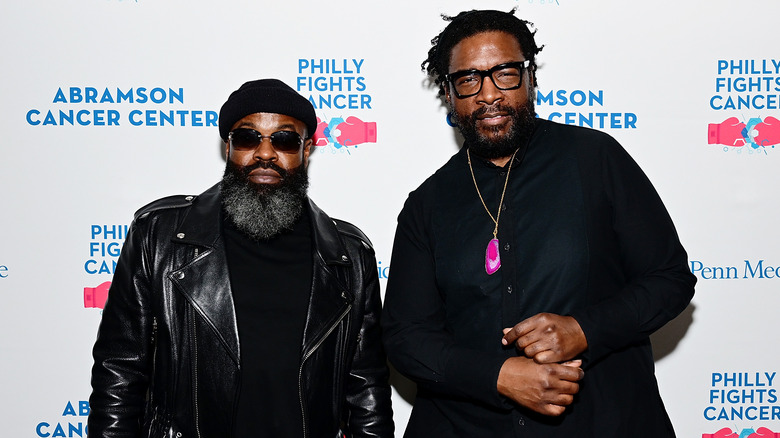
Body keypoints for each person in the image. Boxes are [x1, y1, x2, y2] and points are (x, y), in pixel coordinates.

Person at [382, 9, 696, 437]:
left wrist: (584, 329)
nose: (488, 94)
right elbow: (406, 337)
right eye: (468, 79)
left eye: (505, 73)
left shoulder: (595, 159)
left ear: (530, 79)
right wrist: (498, 375)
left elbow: (669, 279)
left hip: (604, 421)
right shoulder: (428, 204)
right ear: (450, 93)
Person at [88, 79, 393, 438]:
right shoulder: (159, 236)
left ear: (306, 150)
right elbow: (119, 371)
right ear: (228, 146)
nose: (265, 154)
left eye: (284, 140)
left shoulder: (349, 256)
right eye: (248, 138)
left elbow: (366, 387)